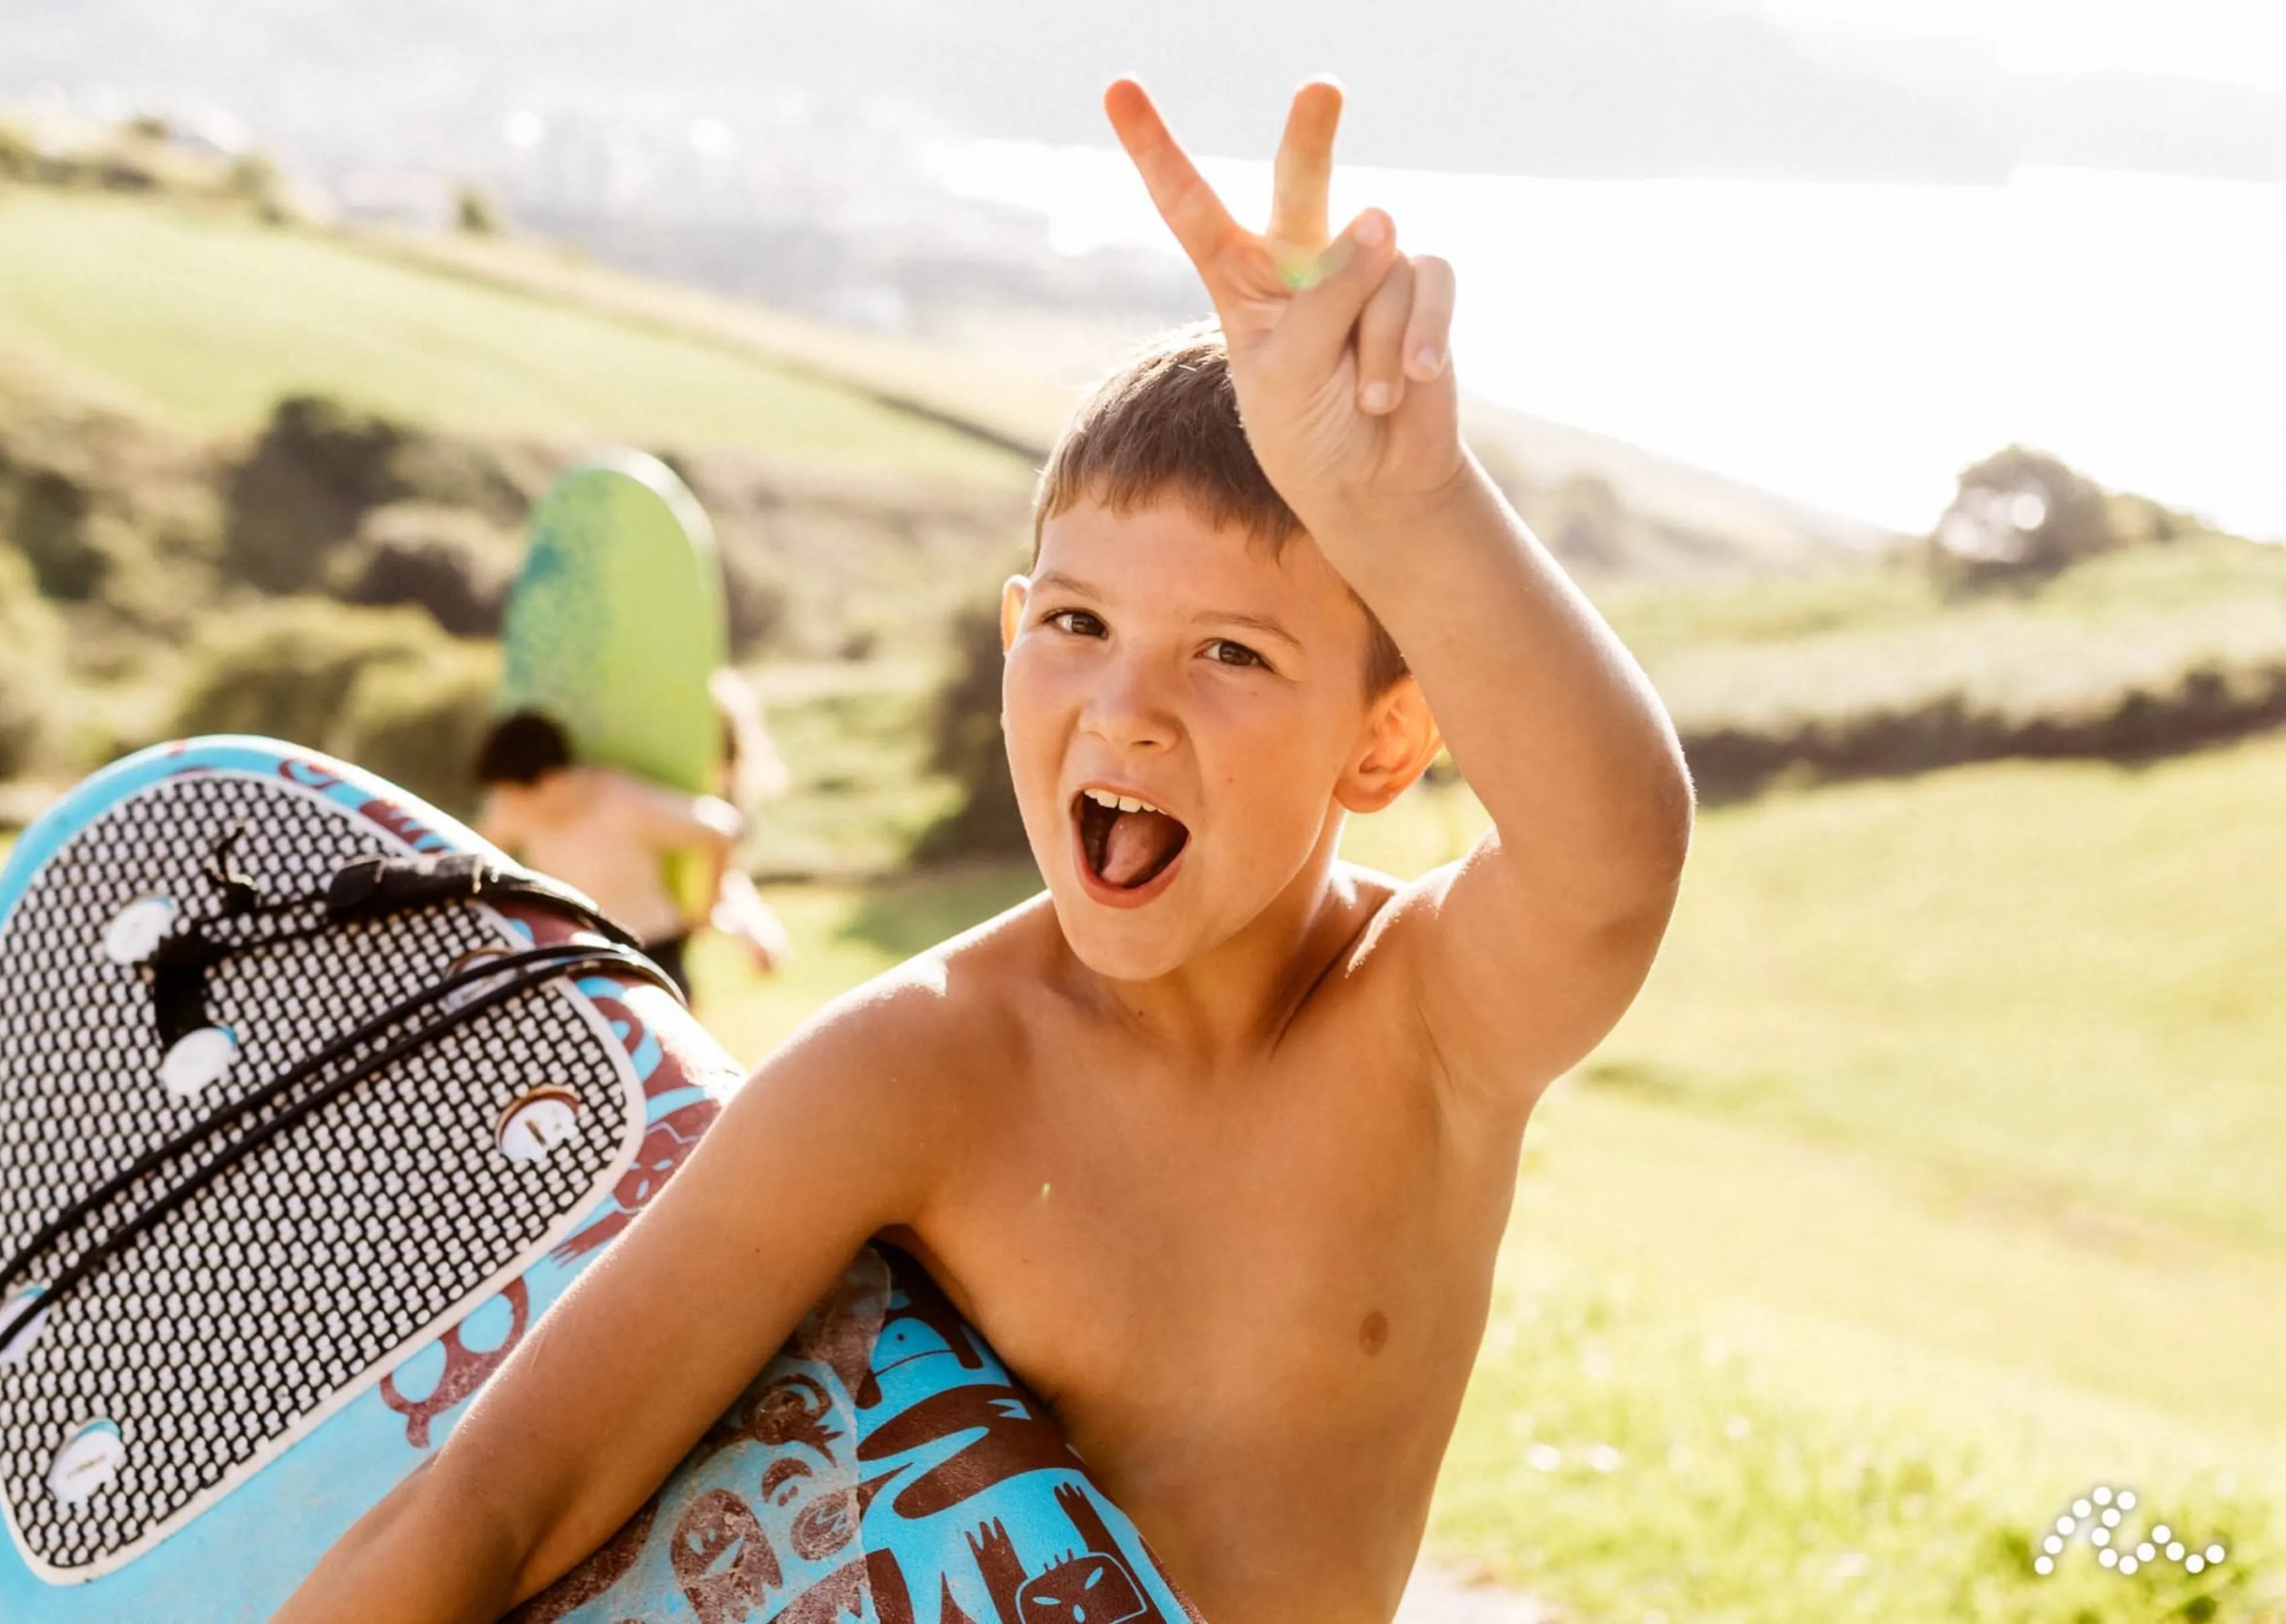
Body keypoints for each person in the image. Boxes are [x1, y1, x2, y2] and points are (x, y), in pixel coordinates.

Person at [285, 77, 1691, 1623]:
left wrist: (1406, 504)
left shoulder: (1419, 1021)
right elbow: (501, 1498)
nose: (1127, 708)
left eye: (1228, 651)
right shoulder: (916, 1070)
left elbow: (1611, 848)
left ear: (1381, 738)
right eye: (1078, 623)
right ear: (1014, 634)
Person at [471, 700, 784, 1001]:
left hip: (651, 956)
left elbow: (722, 830)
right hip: (573, 957)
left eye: (513, 798)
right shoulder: (516, 812)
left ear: (550, 782)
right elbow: (477, 857)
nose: (506, 808)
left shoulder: (623, 801)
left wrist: (707, 909)